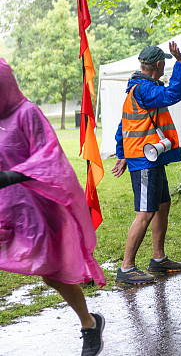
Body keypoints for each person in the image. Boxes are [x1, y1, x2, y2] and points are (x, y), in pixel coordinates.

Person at [0, 58, 106, 356]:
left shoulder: (27, 113)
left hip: (42, 210)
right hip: (10, 211)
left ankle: (89, 324)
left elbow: (49, 157)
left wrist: (11, 175)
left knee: (51, 272)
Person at [112, 42, 181, 284]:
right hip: (144, 161)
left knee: (162, 205)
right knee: (145, 213)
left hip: (151, 158)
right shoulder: (144, 89)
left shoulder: (141, 89)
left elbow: (123, 126)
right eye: (165, 62)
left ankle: (158, 258)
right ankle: (126, 268)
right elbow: (174, 94)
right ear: (158, 64)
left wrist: (121, 153)